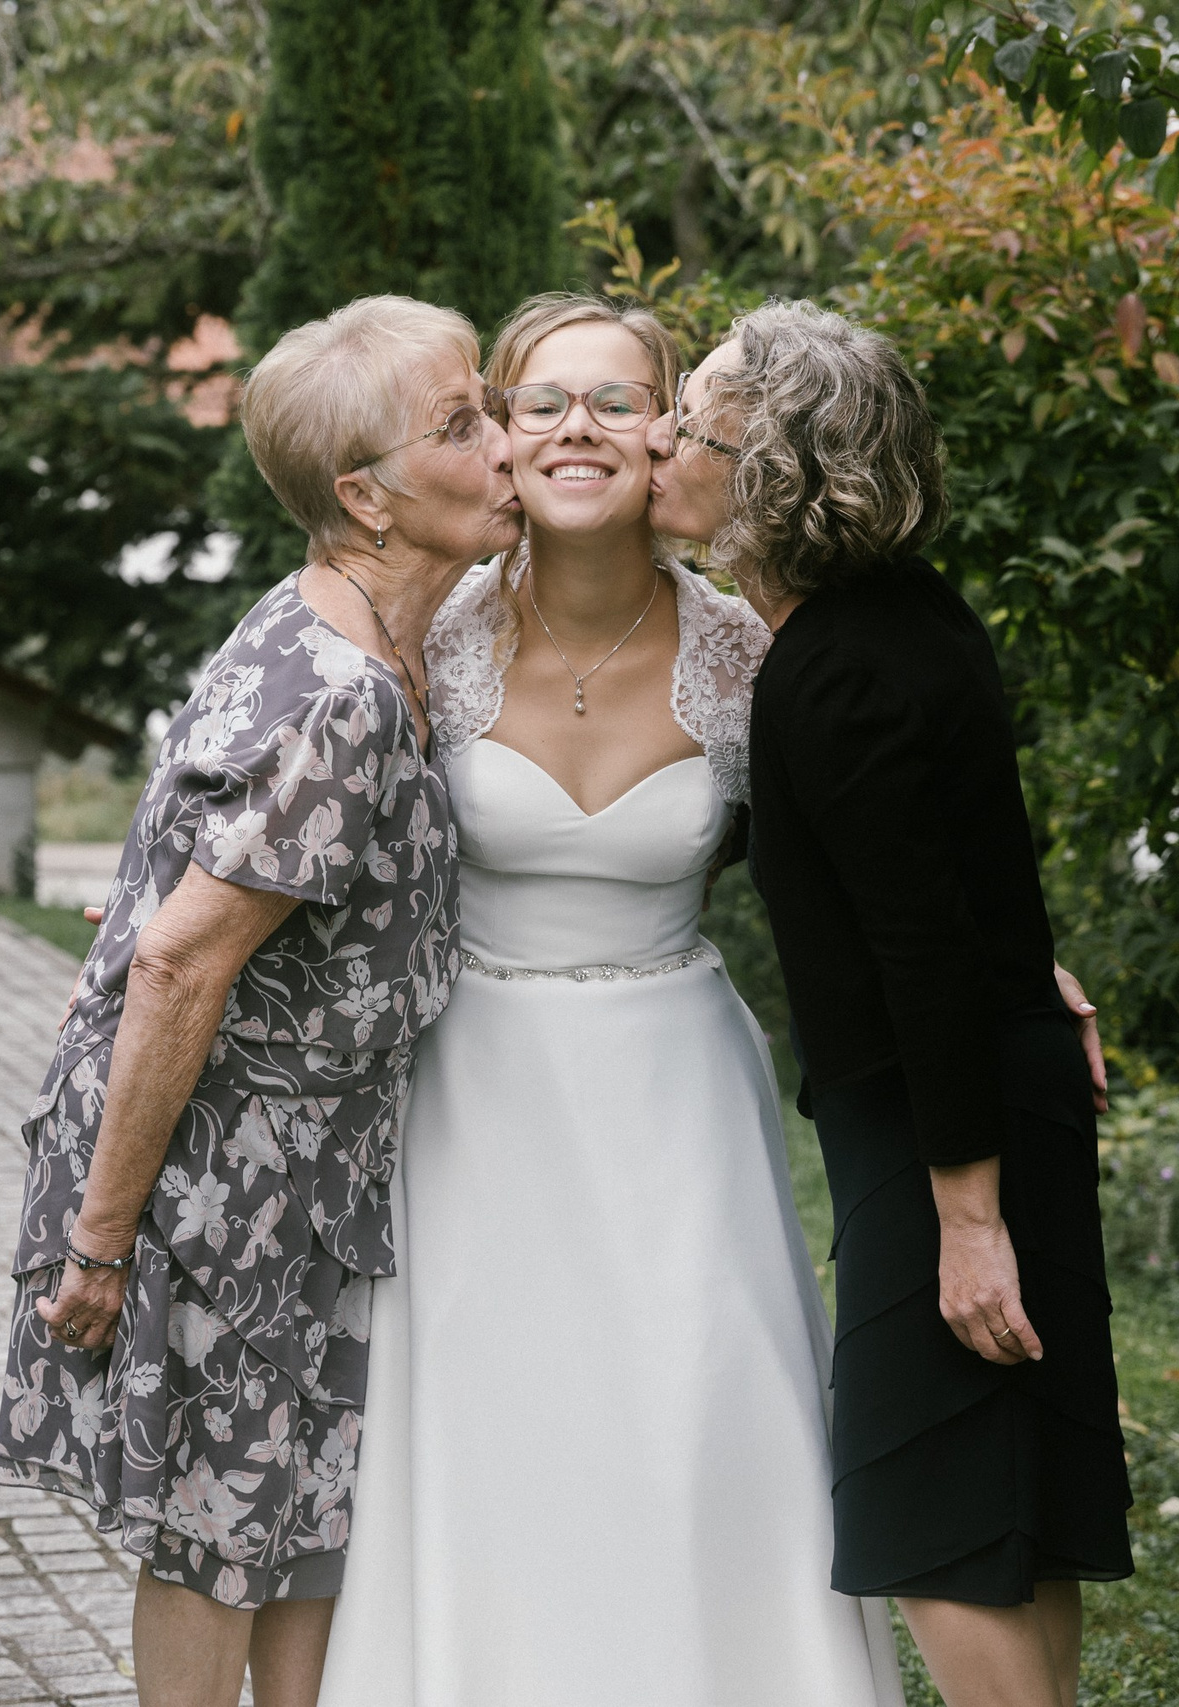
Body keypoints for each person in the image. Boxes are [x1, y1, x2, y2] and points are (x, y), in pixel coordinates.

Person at [319, 292, 906, 1705]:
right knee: (491, 1434)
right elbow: (299, 816)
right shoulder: (418, 646)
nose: (578, 426)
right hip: (471, 1093)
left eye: (614, 400)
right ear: (501, 444)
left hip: (676, 1098)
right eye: (541, 402)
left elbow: (882, 858)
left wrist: (1025, 972)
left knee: (698, 1422)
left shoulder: (752, 662)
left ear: (673, 439)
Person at [0, 294, 519, 1707]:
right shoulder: (339, 690)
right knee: (217, 1532)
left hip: (307, 1163)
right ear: (369, 496)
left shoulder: (358, 626)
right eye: (464, 424)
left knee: (297, 1521)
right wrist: (102, 1243)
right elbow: (180, 958)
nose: (508, 442)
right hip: (221, 1170)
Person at [648, 299, 1134, 1707]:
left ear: (774, 474)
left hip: (945, 1122)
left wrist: (962, 1219)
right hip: (995, 1080)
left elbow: (918, 948)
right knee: (1011, 1504)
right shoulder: (902, 619)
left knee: (928, 1515)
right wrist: (1025, 965)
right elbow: (966, 860)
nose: (670, 446)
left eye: (698, 428)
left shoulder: (835, 672)